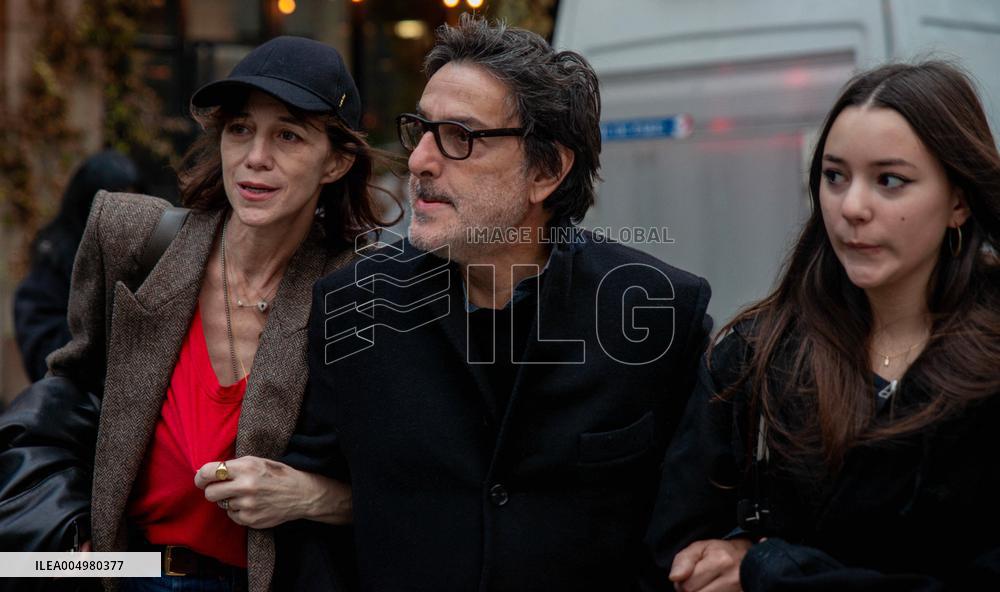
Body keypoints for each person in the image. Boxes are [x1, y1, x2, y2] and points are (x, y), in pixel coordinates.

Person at [280, 15, 712, 591]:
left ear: (548, 171)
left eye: (460, 136)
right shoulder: (353, 306)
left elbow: (689, 536)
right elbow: (314, 532)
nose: (419, 162)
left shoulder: (659, 311)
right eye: (421, 130)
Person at [36, 36, 395, 591]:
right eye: (240, 129)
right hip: (124, 570)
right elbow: (68, 399)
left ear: (336, 161)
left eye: (289, 135)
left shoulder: (363, 291)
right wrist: (69, 545)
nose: (255, 157)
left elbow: (412, 483)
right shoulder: (134, 239)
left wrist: (309, 495)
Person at [647, 61, 1000, 591]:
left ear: (958, 200)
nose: (851, 207)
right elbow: (675, 559)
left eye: (890, 180)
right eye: (835, 176)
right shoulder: (754, 359)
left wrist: (769, 568)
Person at [14, 149, 141, 382]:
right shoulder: (52, 268)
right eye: (114, 208)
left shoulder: (146, 259)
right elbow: (45, 358)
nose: (124, 222)